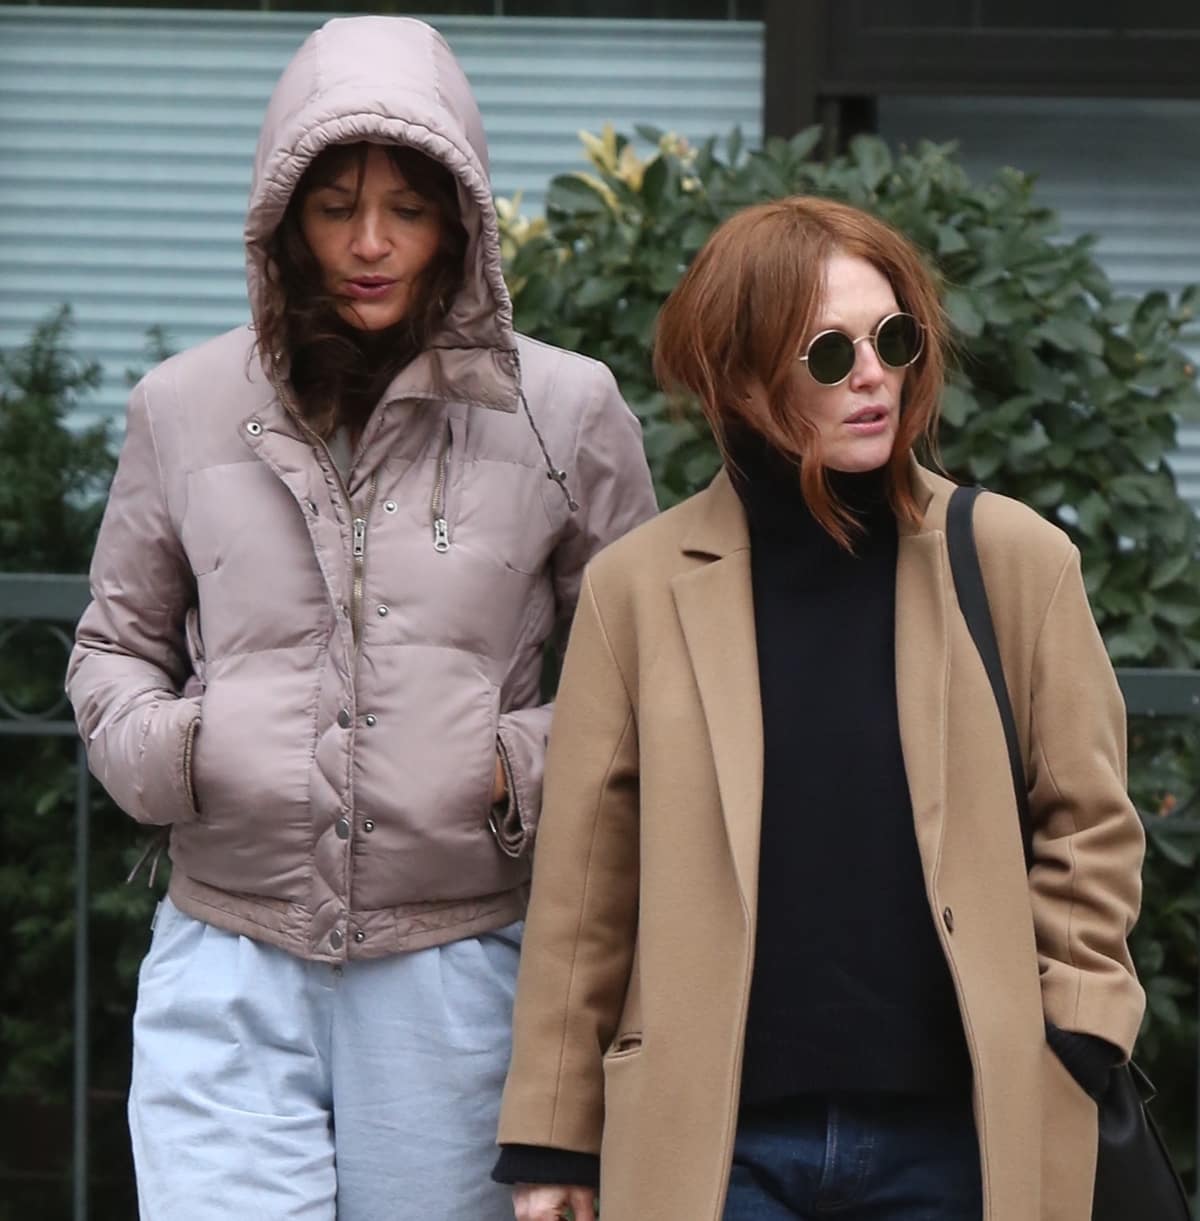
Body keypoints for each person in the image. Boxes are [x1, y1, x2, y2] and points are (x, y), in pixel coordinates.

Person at [66, 15, 656, 1220]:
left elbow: (639, 669)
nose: (371, 244)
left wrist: (507, 771)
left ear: (463, 220)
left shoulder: (566, 409)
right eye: (334, 207)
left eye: (409, 209)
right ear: (284, 217)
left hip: (461, 966)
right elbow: (113, 646)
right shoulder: (181, 406)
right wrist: (184, 751)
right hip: (226, 957)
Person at [492, 196, 1146, 1221]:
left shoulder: (1014, 561)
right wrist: (553, 1138)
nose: (874, 373)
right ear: (740, 374)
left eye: (892, 338)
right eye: (829, 354)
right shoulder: (640, 588)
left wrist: (1077, 1023)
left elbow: (1092, 819)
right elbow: (585, 883)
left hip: (960, 1136)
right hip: (718, 1148)